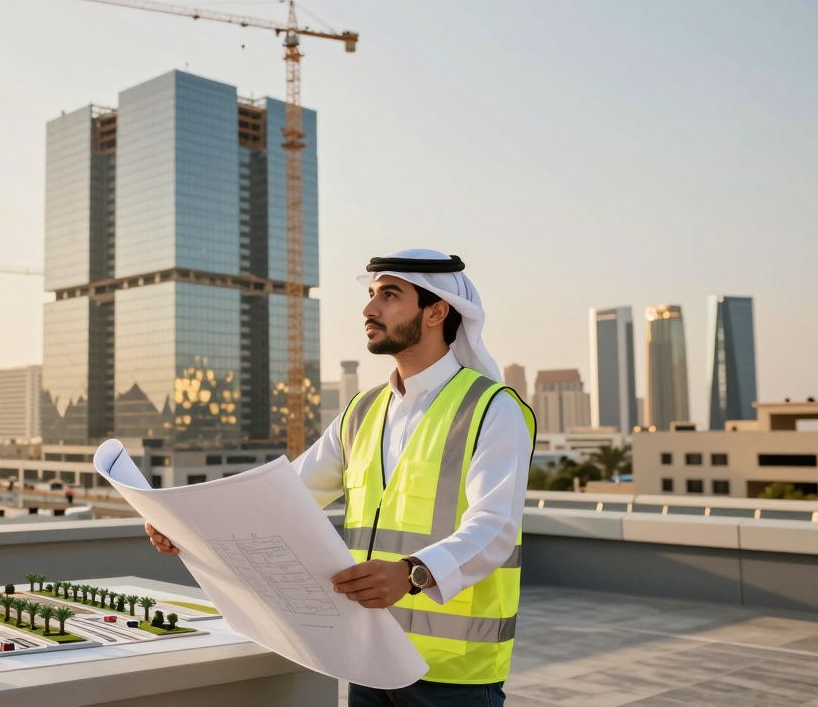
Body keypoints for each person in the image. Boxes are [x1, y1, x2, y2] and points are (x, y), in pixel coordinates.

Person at [146, 249, 534, 707]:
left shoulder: (493, 407)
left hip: (453, 676)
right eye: (371, 296)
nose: (369, 310)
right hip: (369, 657)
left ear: (437, 311)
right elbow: (282, 497)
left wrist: (413, 573)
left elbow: (495, 528)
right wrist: (186, 526)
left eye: (390, 295)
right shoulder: (361, 411)